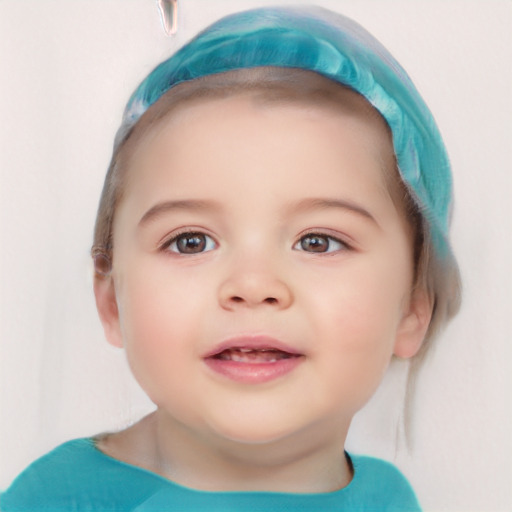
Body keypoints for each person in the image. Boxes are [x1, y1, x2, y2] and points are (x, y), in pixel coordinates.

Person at [1, 5, 461, 511]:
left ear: (414, 307)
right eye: (191, 241)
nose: (253, 283)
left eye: (318, 241)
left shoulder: (388, 500)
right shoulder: (59, 501)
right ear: (112, 301)